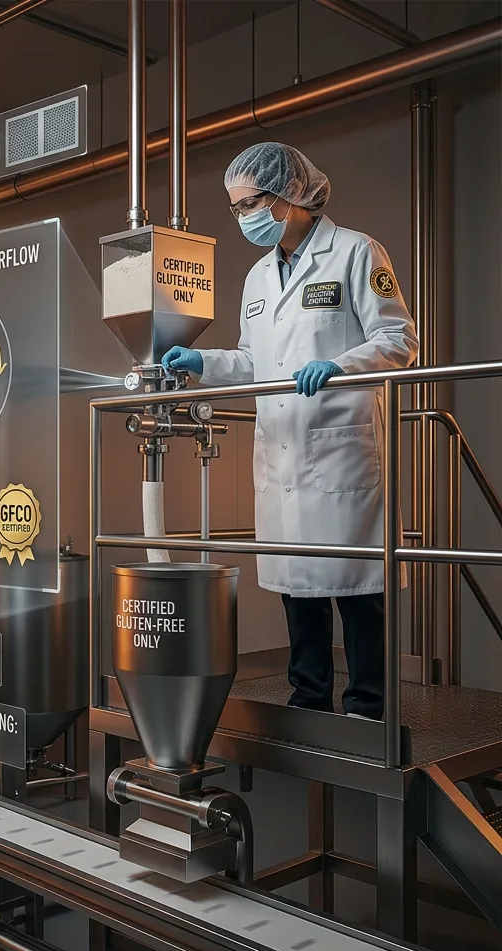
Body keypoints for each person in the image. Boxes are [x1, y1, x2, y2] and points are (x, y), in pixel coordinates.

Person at [162, 142, 417, 720]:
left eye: (252, 201)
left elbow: (399, 339)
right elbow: (256, 361)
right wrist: (206, 364)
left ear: (293, 194)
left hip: (341, 443)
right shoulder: (257, 276)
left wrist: (340, 367)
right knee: (297, 585)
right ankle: (308, 699)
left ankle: (367, 707)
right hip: (281, 448)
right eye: (236, 206)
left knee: (358, 588)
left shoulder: (354, 252)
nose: (245, 215)